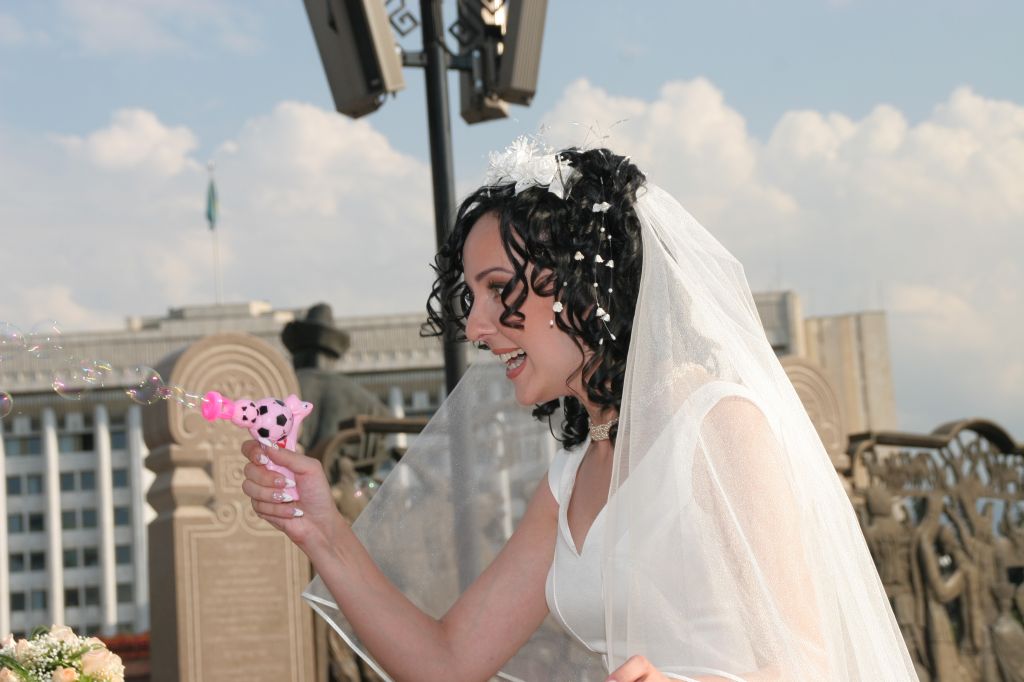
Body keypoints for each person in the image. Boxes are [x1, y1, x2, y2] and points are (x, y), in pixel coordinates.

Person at [240, 138, 918, 681]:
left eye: (498, 289)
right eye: (470, 297)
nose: (475, 326)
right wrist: (322, 531)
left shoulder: (718, 424)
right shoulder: (573, 471)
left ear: (583, 284)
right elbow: (447, 662)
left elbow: (810, 664)